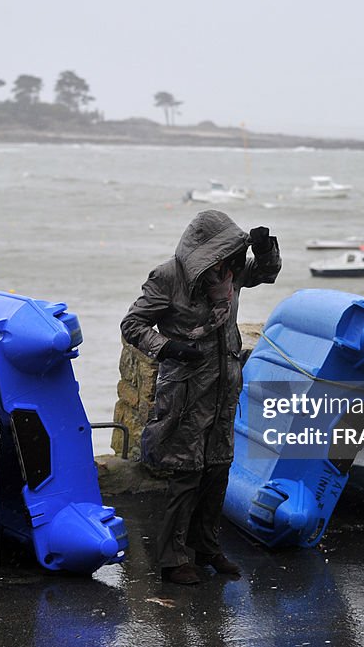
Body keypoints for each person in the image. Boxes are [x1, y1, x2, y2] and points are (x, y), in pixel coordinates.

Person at [120, 209, 281, 585]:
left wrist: (265, 247)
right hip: (187, 391)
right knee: (186, 474)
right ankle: (173, 560)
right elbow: (133, 325)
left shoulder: (232, 272)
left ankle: (206, 548)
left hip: (224, 388)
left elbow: (267, 272)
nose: (228, 261)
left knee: (217, 469)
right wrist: (169, 347)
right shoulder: (168, 277)